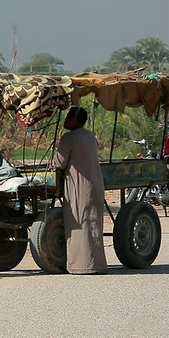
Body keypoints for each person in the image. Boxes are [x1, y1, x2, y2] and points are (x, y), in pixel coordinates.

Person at [51, 106, 108, 274]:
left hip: (79, 186)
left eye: (69, 116)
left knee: (78, 223)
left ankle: (81, 265)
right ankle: (97, 264)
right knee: (93, 225)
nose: (66, 119)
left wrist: (51, 161)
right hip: (96, 184)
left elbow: (59, 162)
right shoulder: (90, 135)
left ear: (76, 119)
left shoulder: (68, 138)